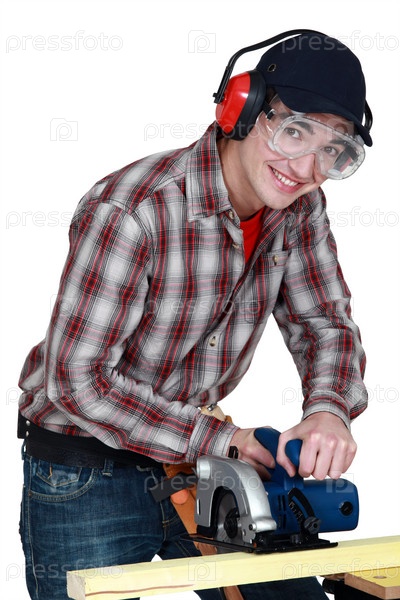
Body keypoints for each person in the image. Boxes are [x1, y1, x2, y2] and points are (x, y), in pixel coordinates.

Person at [17, 30, 372, 600]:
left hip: (200, 460)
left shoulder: (300, 209)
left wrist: (329, 410)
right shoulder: (132, 210)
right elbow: (76, 380)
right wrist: (222, 438)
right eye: (294, 130)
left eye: (333, 149)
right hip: (85, 469)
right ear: (242, 108)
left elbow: (325, 324)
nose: (307, 167)